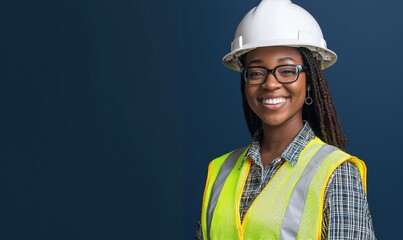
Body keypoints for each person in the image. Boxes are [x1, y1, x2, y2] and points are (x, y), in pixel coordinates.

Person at [195, 0, 376, 239]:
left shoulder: (336, 173)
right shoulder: (220, 172)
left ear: (309, 80)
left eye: (287, 70)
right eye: (257, 72)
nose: (270, 83)